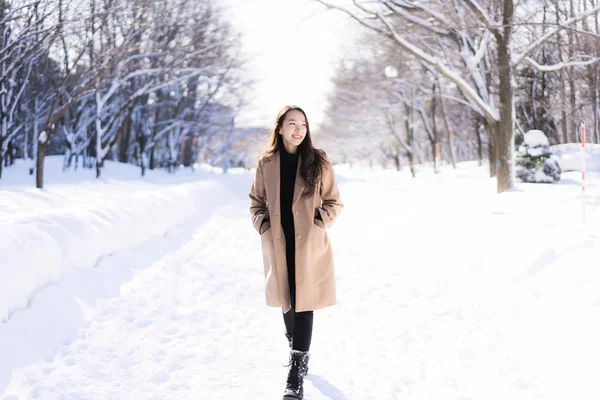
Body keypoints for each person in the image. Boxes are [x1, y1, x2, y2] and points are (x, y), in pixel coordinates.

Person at [249, 105, 343, 400]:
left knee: (304, 303)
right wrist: (263, 225)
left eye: (303, 124)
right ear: (280, 128)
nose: (299, 129)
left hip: (309, 245)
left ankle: (296, 373)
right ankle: (294, 341)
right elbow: (256, 203)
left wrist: (320, 221)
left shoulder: (318, 160)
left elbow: (334, 202)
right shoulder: (267, 163)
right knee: (287, 301)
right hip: (278, 242)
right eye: (292, 123)